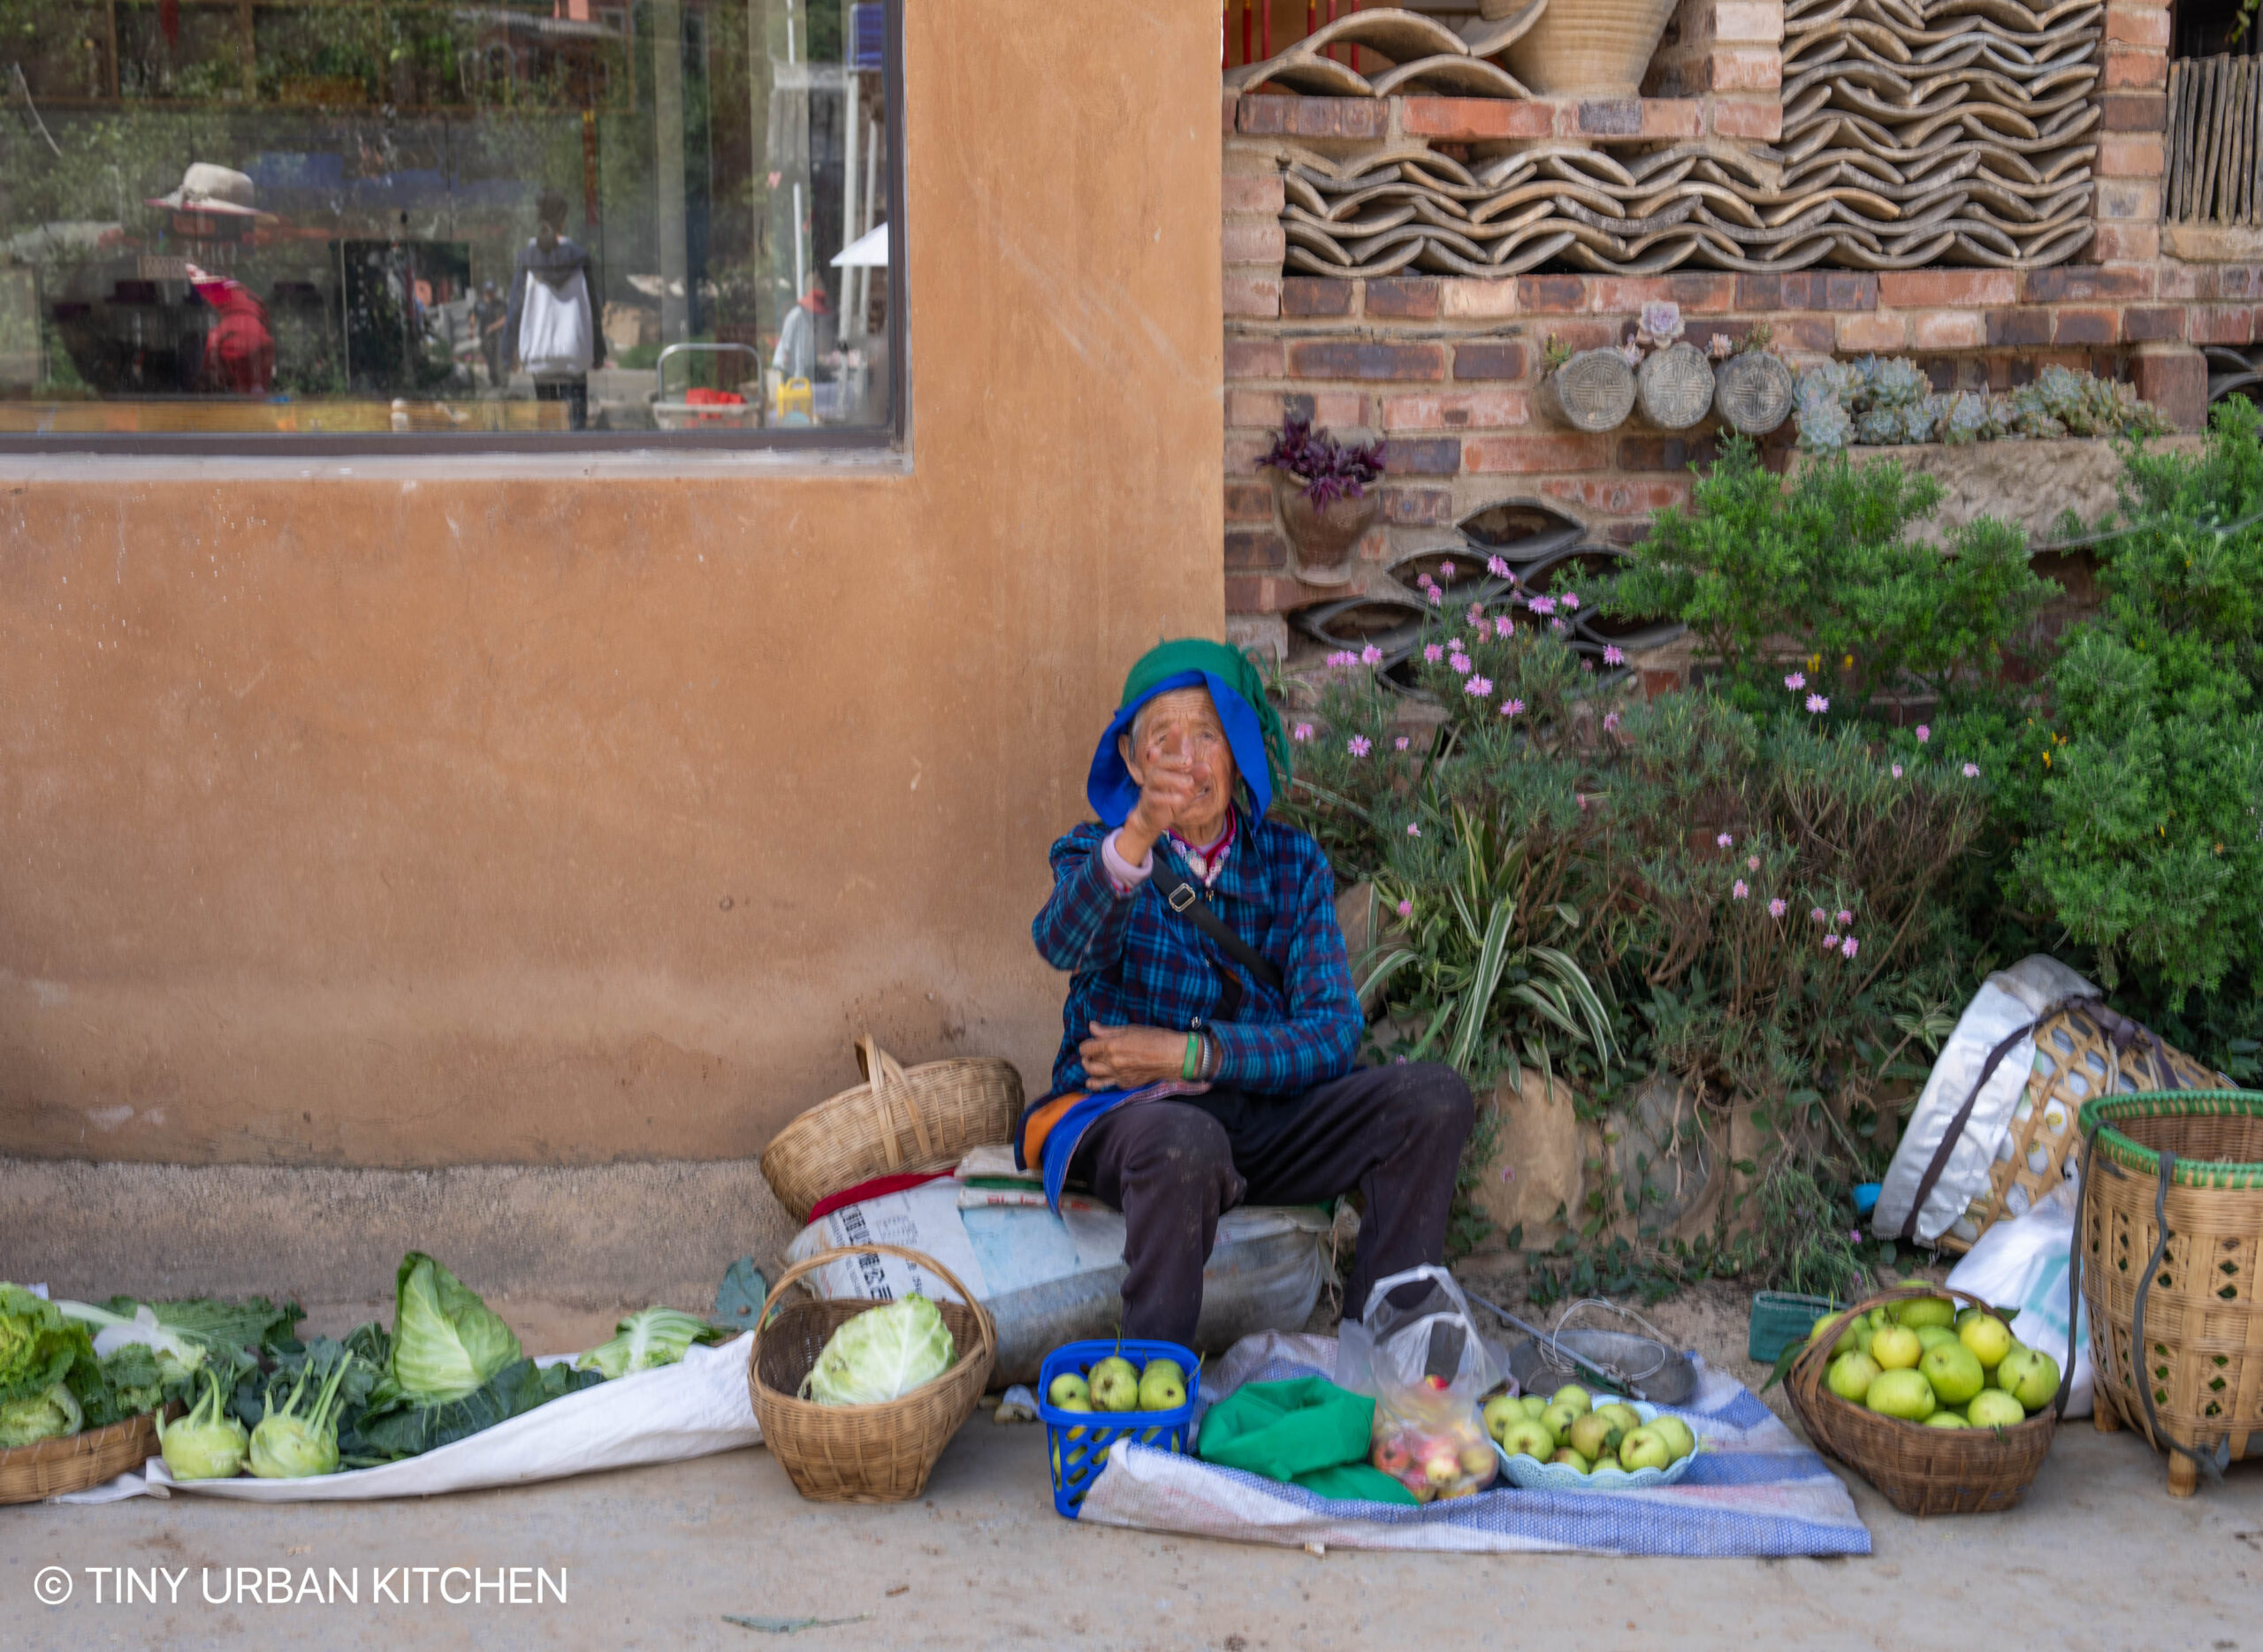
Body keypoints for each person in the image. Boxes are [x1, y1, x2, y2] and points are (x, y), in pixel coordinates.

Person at [1024, 638, 1474, 1351]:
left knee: (1432, 1098)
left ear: (1236, 750)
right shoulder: (1096, 851)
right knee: (1185, 1142)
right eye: (1162, 741)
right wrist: (1139, 833)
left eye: (1206, 735)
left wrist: (1192, 1054)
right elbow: (1061, 943)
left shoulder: (1292, 864)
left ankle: (1382, 1355)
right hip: (1133, 1119)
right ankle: (1151, 1388)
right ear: (1137, 765)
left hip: (1259, 1116)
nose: (1186, 759)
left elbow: (1330, 1034)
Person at [505, 190, 605, 430]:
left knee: (548, 423)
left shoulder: (527, 259)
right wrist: (599, 352)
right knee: (576, 426)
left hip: (540, 353)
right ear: (564, 217)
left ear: (539, 218)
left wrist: (508, 352)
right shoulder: (580, 258)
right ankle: (578, 463)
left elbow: (515, 308)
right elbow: (593, 309)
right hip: (574, 351)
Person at [771, 277, 831, 385]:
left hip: (797, 367)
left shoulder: (809, 319)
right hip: (786, 365)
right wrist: (787, 353)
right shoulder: (797, 316)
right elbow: (787, 338)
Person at [472, 279, 507, 390]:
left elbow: (505, 318)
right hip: (485, 336)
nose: (490, 293)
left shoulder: (500, 304)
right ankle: (494, 380)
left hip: (498, 335)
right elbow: (473, 315)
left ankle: (503, 382)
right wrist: (471, 328)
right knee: (489, 359)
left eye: (492, 291)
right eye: (488, 291)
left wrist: (493, 327)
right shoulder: (479, 303)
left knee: (499, 359)